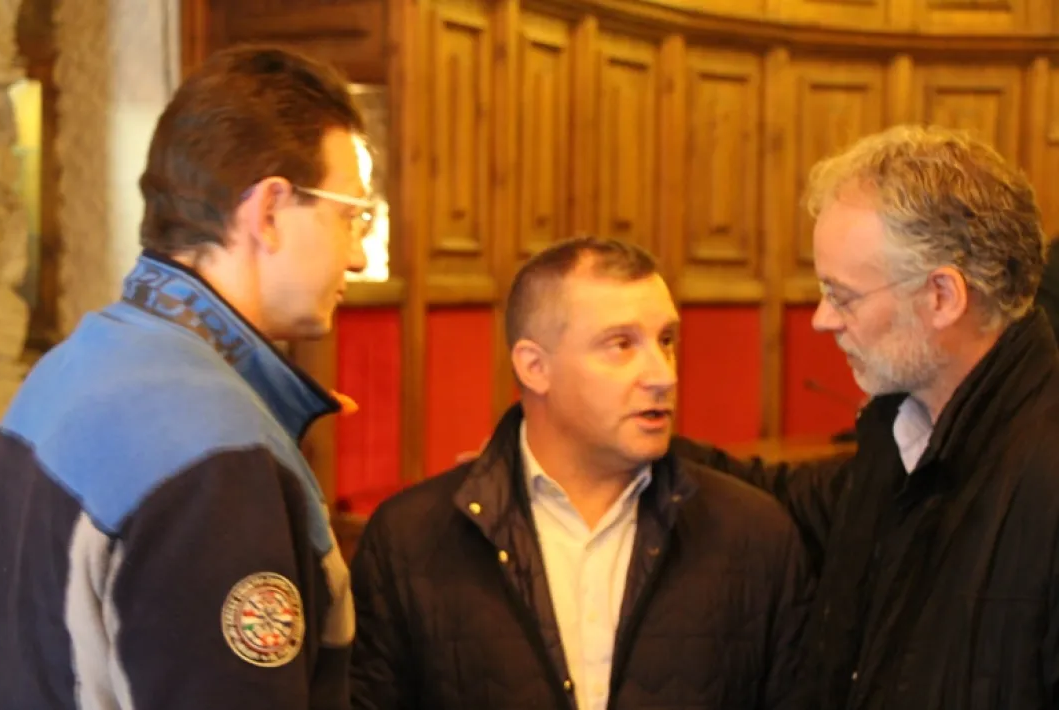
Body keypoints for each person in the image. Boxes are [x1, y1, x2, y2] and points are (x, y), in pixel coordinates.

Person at [0, 45, 375, 710]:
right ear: (269, 211)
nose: (356, 254)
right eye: (349, 214)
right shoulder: (213, 450)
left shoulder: (70, 366)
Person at [679, 124, 1059, 710]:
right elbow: (784, 496)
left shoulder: (1042, 474)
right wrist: (629, 445)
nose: (822, 321)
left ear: (942, 296)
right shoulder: (899, 434)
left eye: (844, 296)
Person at [349, 236, 812, 710]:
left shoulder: (756, 536)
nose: (663, 375)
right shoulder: (410, 540)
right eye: (620, 345)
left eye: (666, 341)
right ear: (535, 367)